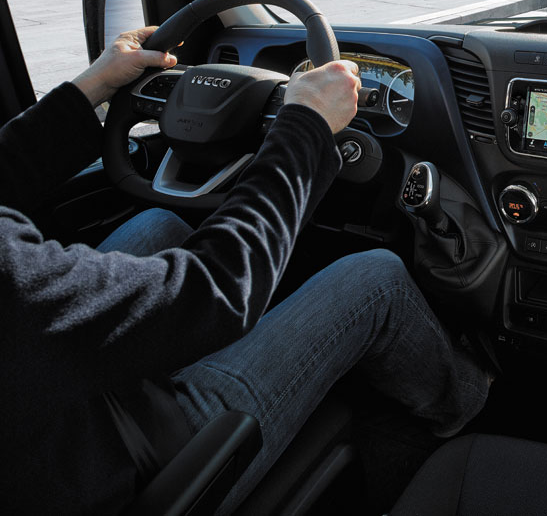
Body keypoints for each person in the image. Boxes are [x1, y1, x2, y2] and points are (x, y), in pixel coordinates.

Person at [0, 27, 490, 515]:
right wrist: (306, 125)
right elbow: (215, 289)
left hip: (45, 407)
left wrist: (95, 85)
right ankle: (469, 403)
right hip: (121, 462)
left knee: (160, 224)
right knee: (375, 279)